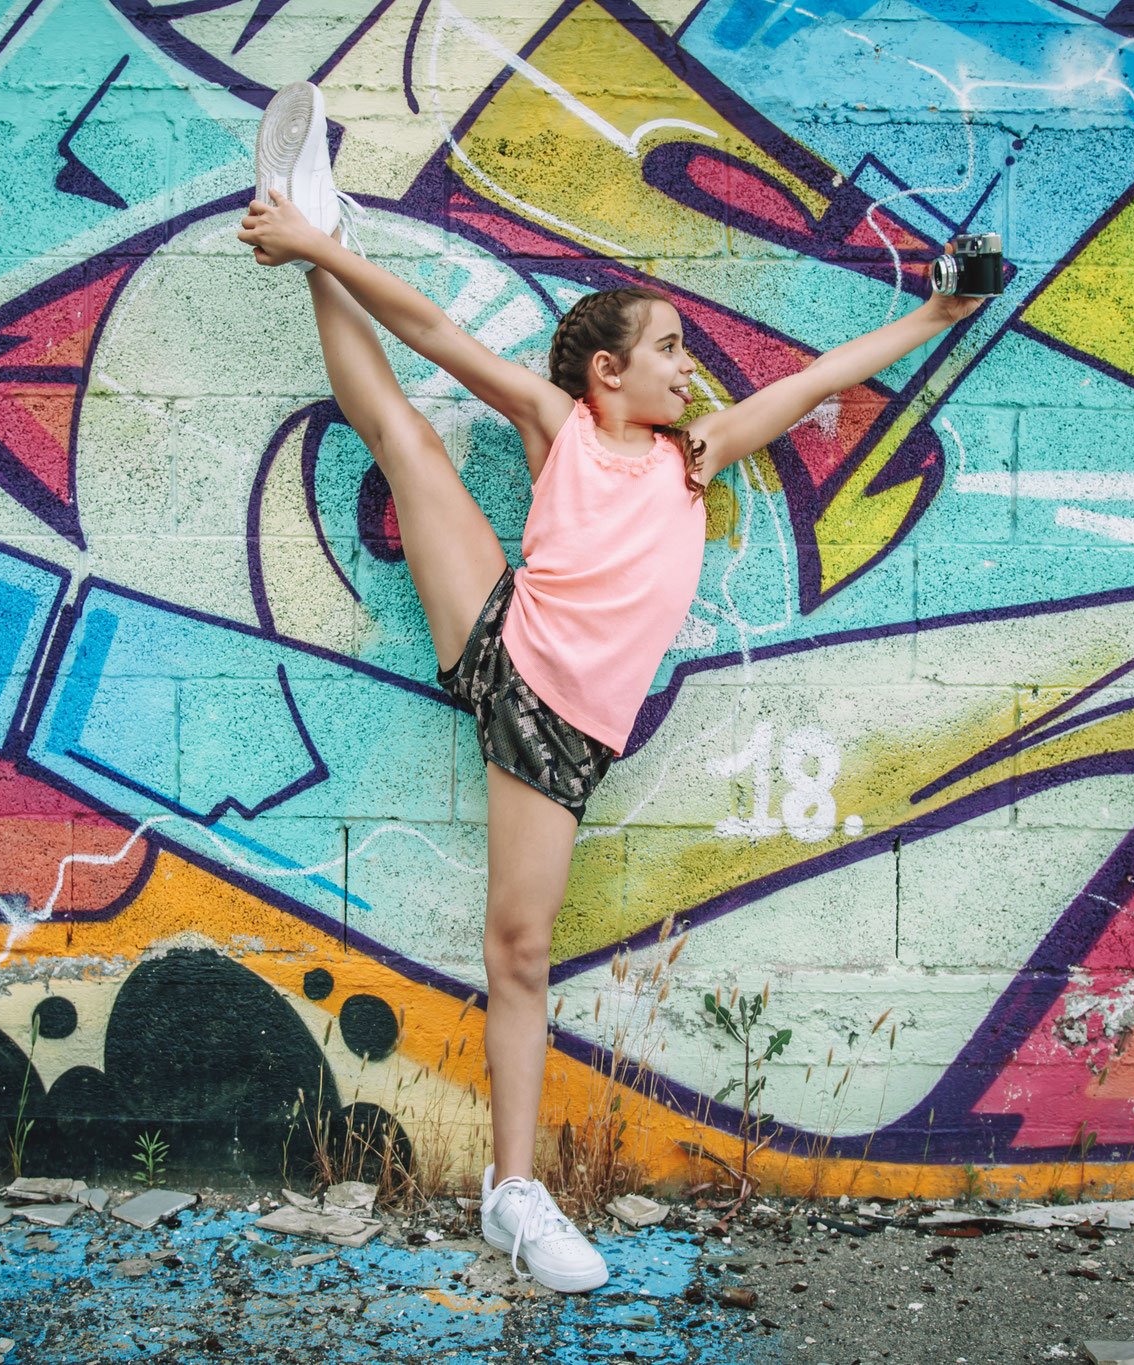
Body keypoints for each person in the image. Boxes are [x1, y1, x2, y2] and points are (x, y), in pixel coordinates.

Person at [239, 81, 984, 1293]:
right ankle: (316, 221)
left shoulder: (695, 459)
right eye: (668, 349)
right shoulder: (560, 427)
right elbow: (433, 333)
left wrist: (935, 314)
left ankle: (509, 1194)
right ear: (604, 373)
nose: (689, 369)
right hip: (506, 639)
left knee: (521, 947)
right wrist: (319, 251)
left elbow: (815, 383)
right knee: (403, 437)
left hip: (564, 731)